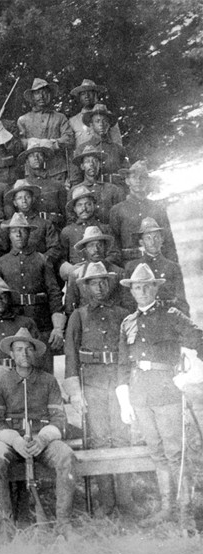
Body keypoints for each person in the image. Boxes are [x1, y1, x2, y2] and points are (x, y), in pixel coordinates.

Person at [116, 264, 203, 528]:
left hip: (166, 392)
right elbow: (122, 365)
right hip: (141, 396)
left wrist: (189, 376)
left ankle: (185, 513)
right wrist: (124, 400)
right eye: (137, 287)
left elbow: (200, 340)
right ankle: (167, 508)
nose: (142, 291)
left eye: (147, 286)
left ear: (155, 287)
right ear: (131, 291)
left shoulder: (172, 315)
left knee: (175, 452)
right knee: (157, 452)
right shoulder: (127, 323)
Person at [0, 327, 75, 535]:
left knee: (66, 457)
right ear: (11, 353)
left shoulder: (48, 381)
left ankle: (63, 522)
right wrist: (15, 440)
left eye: (28, 349)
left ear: (35, 352)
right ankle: (5, 524)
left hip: (42, 440)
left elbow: (59, 419)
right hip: (12, 441)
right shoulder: (1, 383)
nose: (24, 354)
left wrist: (43, 439)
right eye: (18, 349)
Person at [64, 262, 133, 517]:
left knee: (122, 437)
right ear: (86, 287)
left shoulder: (122, 314)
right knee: (100, 440)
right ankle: (106, 501)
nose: (100, 286)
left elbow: (129, 353)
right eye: (95, 282)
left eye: (104, 281)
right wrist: (75, 391)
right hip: (91, 383)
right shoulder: (78, 316)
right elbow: (71, 355)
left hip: (117, 382)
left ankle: (126, 500)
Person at [0, 213, 65, 372]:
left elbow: (54, 293)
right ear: (9, 235)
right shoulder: (1, 263)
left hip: (41, 321)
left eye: (22, 230)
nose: (18, 234)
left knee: (42, 369)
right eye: (13, 231)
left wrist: (57, 327)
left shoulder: (42, 260)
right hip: (13, 322)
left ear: (29, 233)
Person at [109, 161, 177, 263]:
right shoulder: (117, 210)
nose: (138, 180)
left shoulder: (158, 208)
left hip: (156, 263)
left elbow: (168, 243)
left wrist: (173, 268)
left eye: (142, 177)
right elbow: (114, 247)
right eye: (134, 177)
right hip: (130, 266)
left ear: (147, 181)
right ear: (127, 181)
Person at [123, 217, 188, 315]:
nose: (152, 242)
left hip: (168, 317)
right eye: (148, 238)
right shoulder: (132, 267)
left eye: (156, 237)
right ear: (141, 242)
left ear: (162, 240)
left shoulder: (173, 267)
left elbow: (182, 302)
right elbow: (127, 301)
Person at [16, 78, 74, 183]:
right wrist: (30, 142)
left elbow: (69, 139)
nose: (41, 96)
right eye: (37, 93)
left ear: (50, 95)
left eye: (45, 92)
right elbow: (18, 143)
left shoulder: (60, 117)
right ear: (32, 97)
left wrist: (54, 143)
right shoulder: (23, 120)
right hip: (33, 171)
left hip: (56, 170)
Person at [58, 185, 121, 280]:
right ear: (74, 209)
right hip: (78, 277)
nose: (84, 208)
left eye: (88, 204)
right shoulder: (67, 231)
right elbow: (61, 258)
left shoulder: (105, 229)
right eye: (79, 205)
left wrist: (98, 266)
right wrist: (70, 269)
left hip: (102, 275)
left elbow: (115, 254)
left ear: (94, 205)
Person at [64, 225, 124, 314]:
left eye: (99, 245)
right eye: (91, 245)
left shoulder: (118, 272)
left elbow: (126, 303)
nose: (96, 249)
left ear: (105, 247)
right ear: (85, 249)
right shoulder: (76, 275)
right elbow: (70, 308)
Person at [0, 180, 61, 264]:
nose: (24, 200)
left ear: (33, 199)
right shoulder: (7, 225)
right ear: (15, 203)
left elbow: (55, 248)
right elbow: (2, 250)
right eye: (19, 198)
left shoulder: (45, 223)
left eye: (27, 197)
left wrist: (41, 260)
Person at [68, 144, 125, 223]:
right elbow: (71, 220)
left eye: (95, 161)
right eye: (87, 161)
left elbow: (119, 217)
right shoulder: (74, 190)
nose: (92, 164)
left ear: (100, 164)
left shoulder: (113, 190)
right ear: (82, 166)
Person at [17, 140, 67, 224]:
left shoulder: (57, 185)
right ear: (27, 160)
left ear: (45, 158)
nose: (36, 158)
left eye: (39, 155)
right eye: (31, 156)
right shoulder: (22, 184)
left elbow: (66, 214)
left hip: (54, 225)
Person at [68, 79, 123, 148]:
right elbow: (70, 147)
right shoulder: (73, 121)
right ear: (79, 98)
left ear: (97, 94)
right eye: (83, 94)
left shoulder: (107, 116)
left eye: (90, 92)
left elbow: (117, 142)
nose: (86, 96)